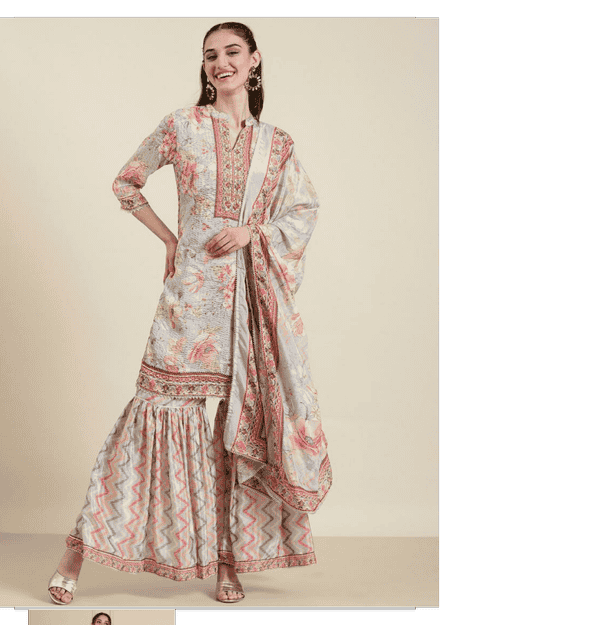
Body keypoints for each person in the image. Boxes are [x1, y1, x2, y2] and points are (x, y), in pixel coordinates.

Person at [48, 21, 331, 606]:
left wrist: (253, 232)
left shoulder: (277, 144)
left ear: (254, 60)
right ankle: (78, 549)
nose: (221, 63)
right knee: (149, 419)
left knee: (236, 434)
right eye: (210, 55)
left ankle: (228, 561)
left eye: (232, 52)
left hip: (247, 310)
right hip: (188, 303)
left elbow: (302, 211)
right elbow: (127, 183)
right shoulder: (182, 126)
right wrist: (171, 240)